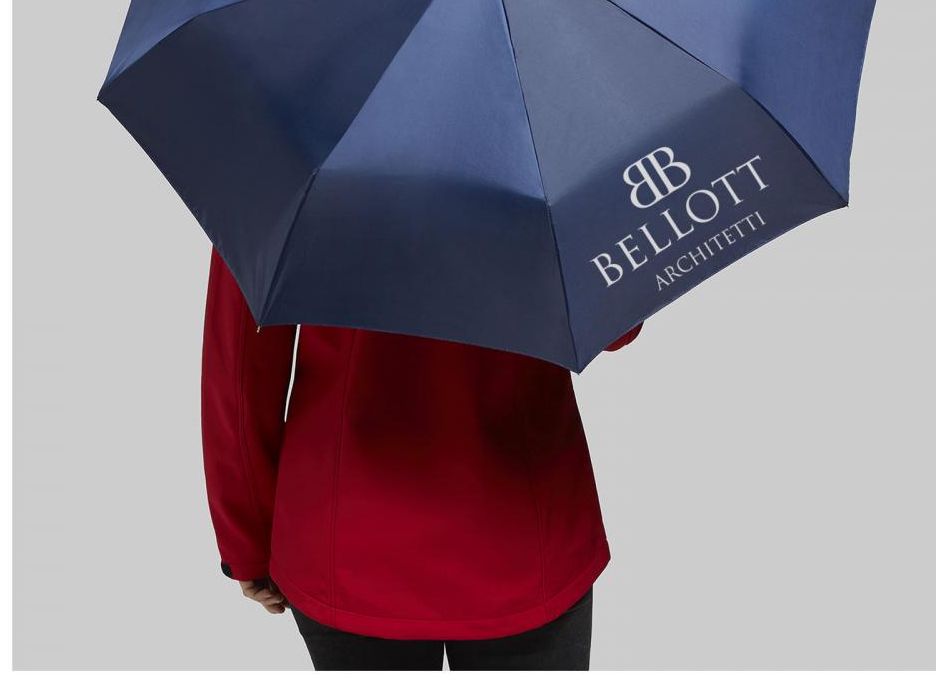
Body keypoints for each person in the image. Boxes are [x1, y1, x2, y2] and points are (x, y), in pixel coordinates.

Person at [202, 247, 640, 671]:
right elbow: (615, 322)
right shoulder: (545, 189)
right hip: (524, 530)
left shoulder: (282, 191)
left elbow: (240, 362)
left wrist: (246, 538)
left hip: (348, 539)